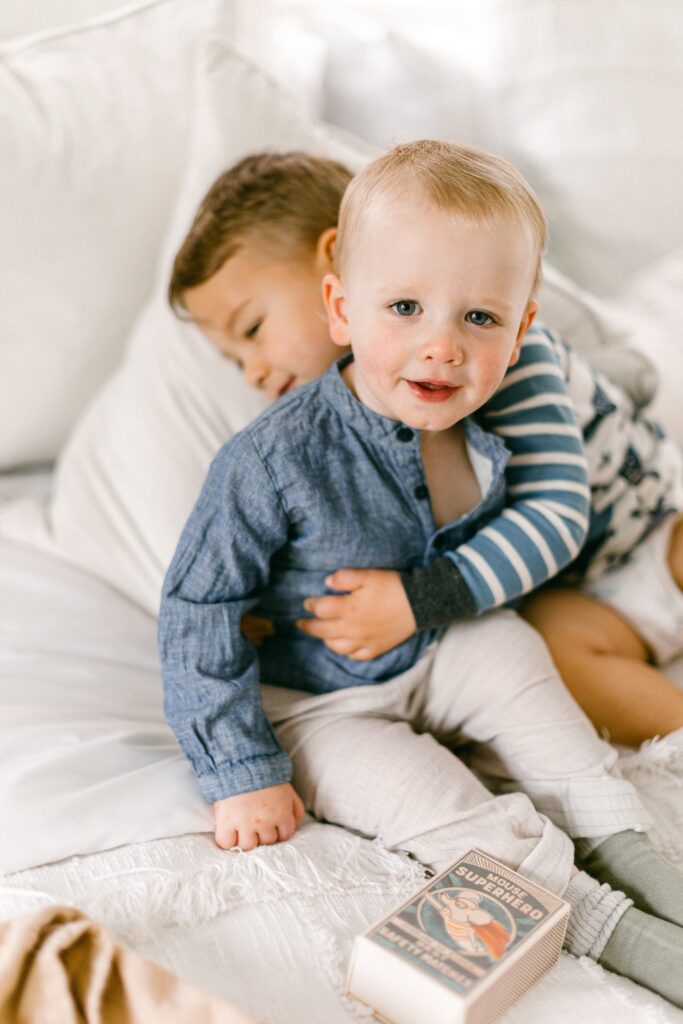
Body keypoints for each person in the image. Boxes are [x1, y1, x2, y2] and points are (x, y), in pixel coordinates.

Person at [160, 141, 683, 1005]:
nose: (439, 346)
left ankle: (637, 855)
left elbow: (557, 492)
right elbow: (196, 605)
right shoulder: (270, 457)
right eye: (403, 307)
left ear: (519, 331)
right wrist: (240, 769)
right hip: (322, 699)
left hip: (442, 638)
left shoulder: (492, 404)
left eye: (479, 320)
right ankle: (618, 932)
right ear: (340, 305)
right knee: (453, 814)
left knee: (527, 681)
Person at [169, 152, 683, 749]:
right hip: (573, 599)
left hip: (651, 527)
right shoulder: (310, 435)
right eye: (235, 360)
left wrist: (419, 601)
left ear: (331, 270)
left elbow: (555, 517)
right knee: (549, 661)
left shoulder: (509, 363)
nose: (254, 371)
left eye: (253, 329)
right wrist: (271, 610)